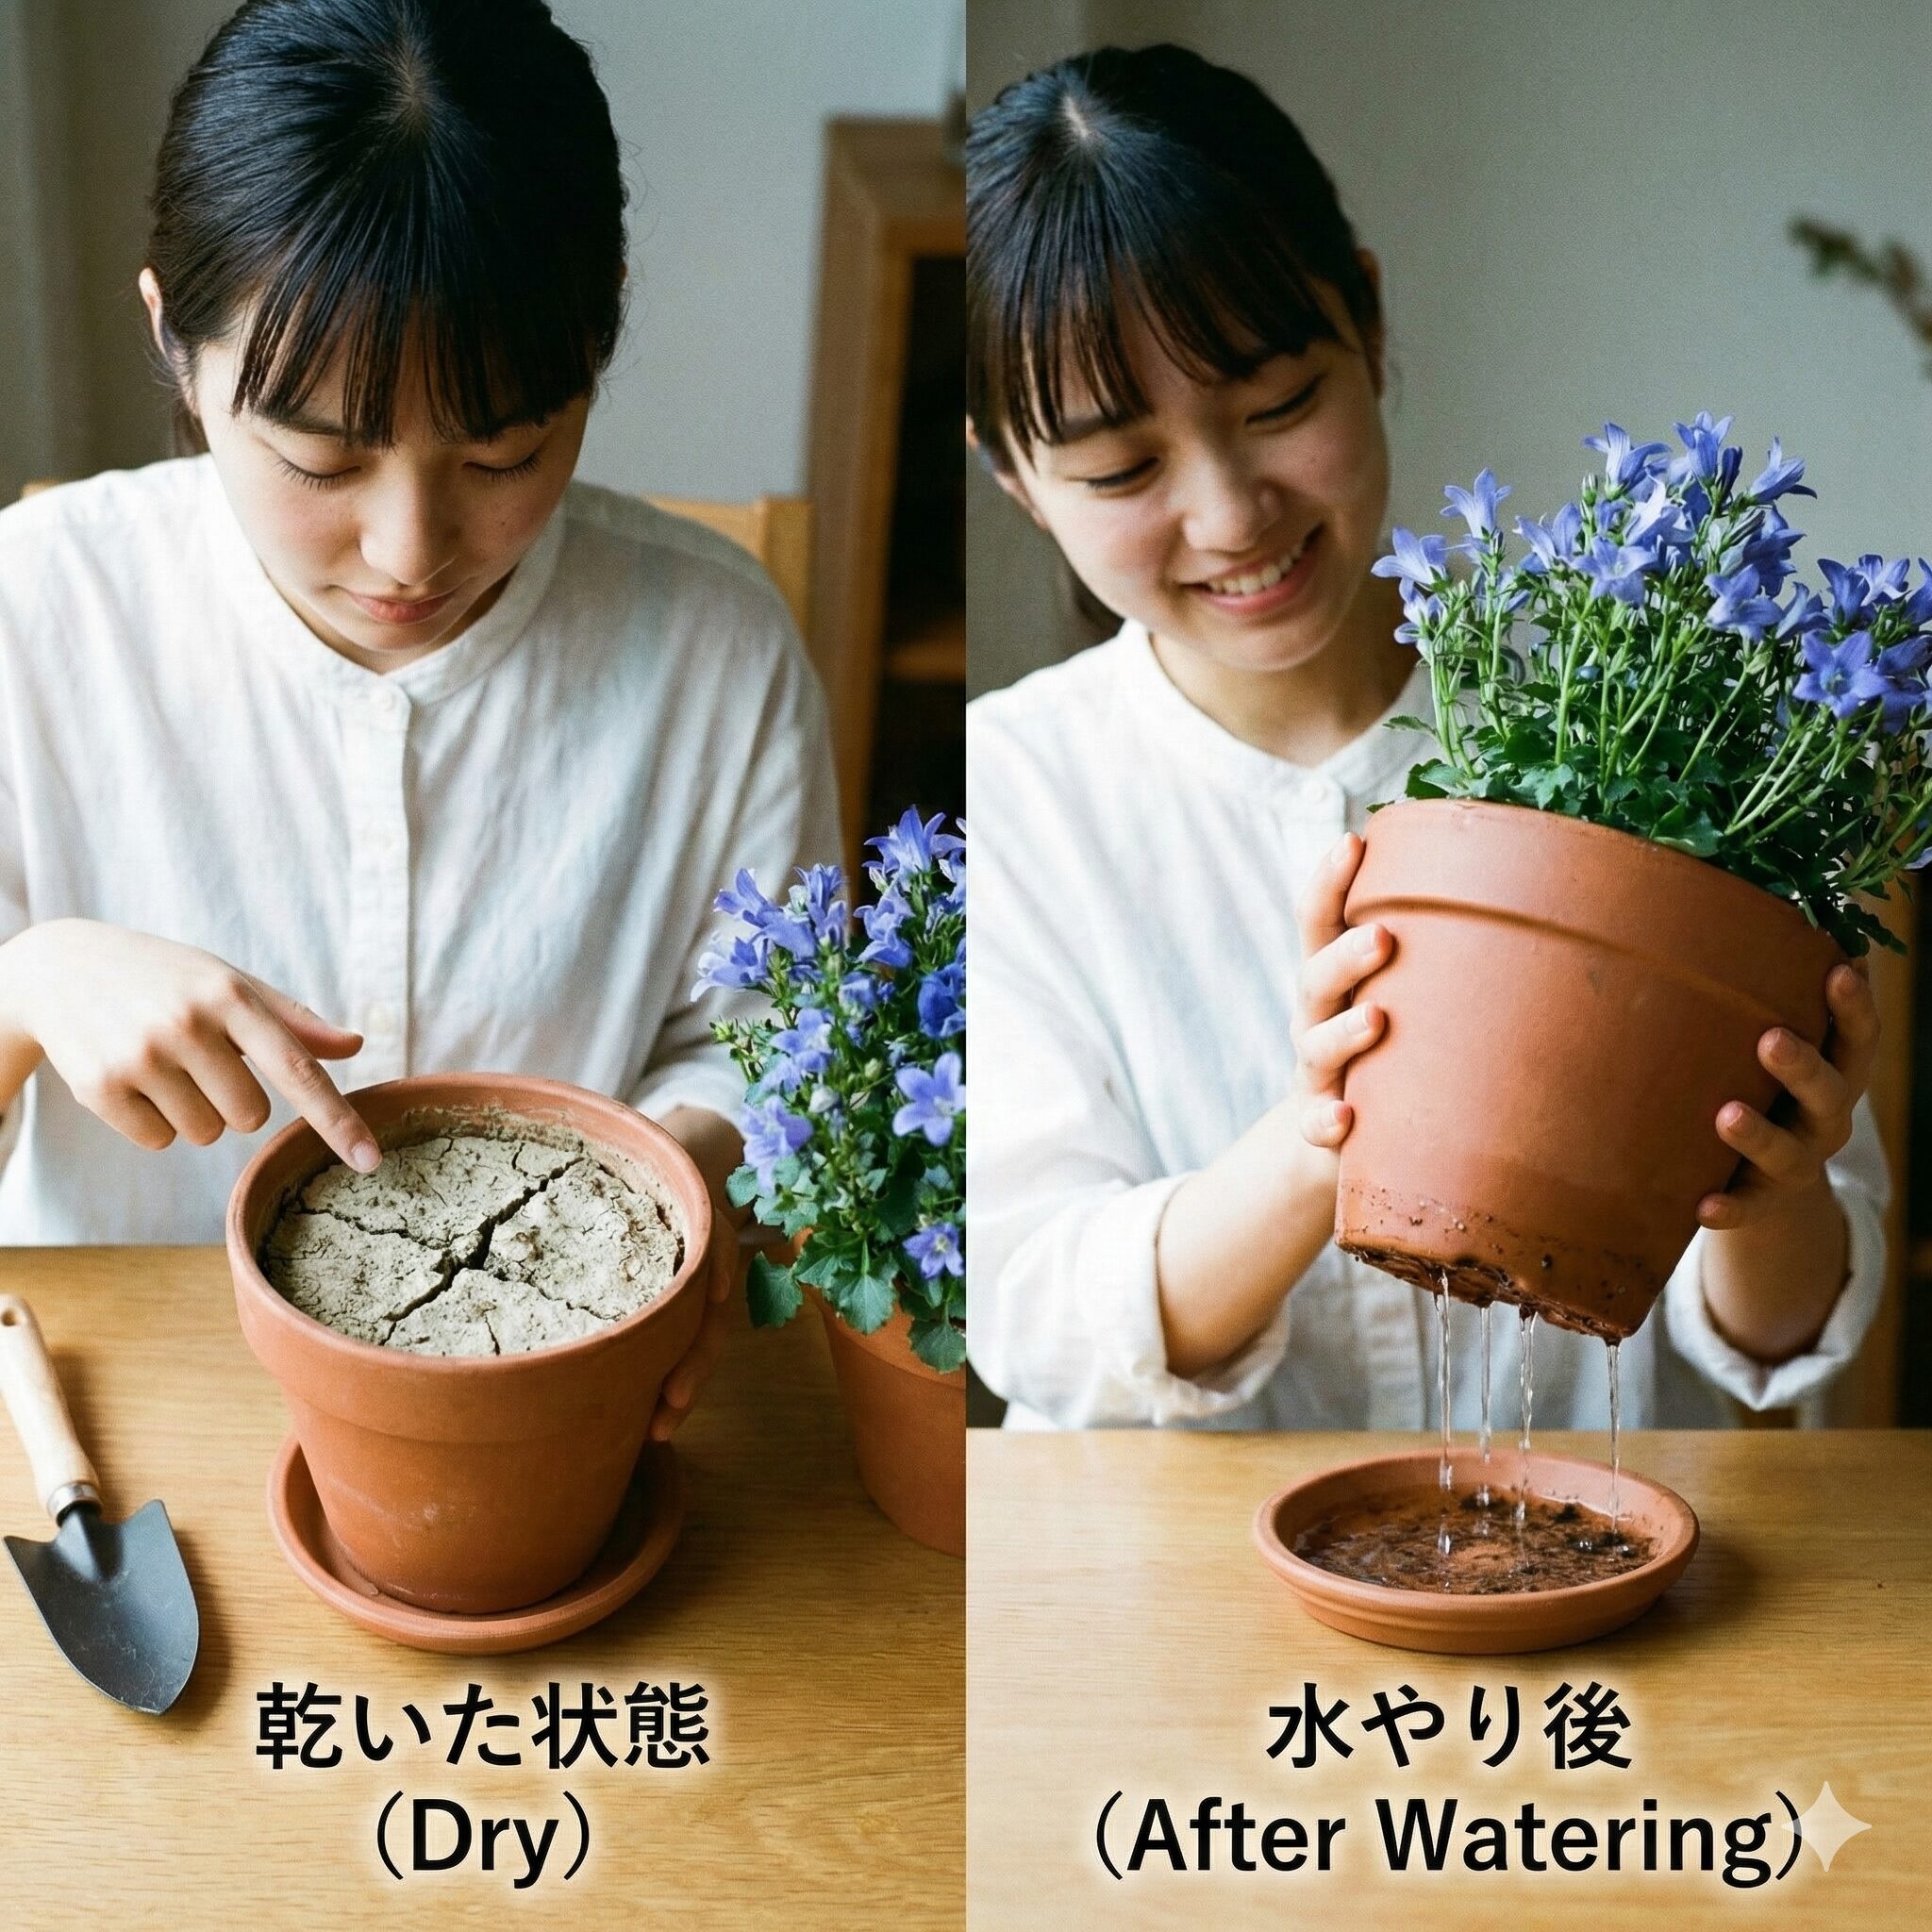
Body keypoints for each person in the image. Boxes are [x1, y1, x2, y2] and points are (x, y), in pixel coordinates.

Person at [964, 43, 1889, 1431]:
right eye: (1120, 469)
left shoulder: (1642, 751)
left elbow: (1785, 1337)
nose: (1229, 516)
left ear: (1373, 327)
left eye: (1279, 405)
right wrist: (1318, 1134)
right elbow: (1034, 1310)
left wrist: (1778, 1192)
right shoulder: (1018, 789)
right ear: (1014, 479)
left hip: (1612, 1570)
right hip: (1187, 1607)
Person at [0, 0, 840, 1441]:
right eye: (320, 461)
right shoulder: (33, 615)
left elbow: (765, 1054)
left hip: (563, 1418)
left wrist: (681, 1176)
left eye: (505, 452)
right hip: (118, 1411)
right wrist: (27, 986)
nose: (410, 548)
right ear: (177, 348)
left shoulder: (716, 646)